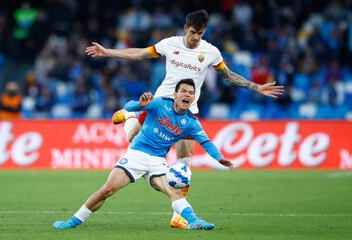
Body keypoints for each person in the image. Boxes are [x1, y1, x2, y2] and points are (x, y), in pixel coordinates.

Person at [85, 9, 284, 228]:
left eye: (200, 33)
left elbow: (228, 75)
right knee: (132, 138)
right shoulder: (170, 44)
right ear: (185, 29)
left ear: (204, 32)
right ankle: (130, 116)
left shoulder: (211, 52)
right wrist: (109, 52)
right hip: (160, 103)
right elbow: (140, 53)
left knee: (184, 156)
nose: (196, 37)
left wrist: (256, 87)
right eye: (193, 32)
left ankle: (178, 215)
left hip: (188, 108)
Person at [53, 79, 233, 230]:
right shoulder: (160, 103)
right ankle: (73, 221)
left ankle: (194, 221)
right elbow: (129, 105)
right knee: (108, 189)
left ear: (193, 97)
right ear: (175, 94)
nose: (187, 95)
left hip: (157, 161)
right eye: (183, 91)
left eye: (191, 93)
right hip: (137, 154)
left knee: (174, 191)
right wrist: (140, 104)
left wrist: (219, 158)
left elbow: (206, 142)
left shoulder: (191, 123)